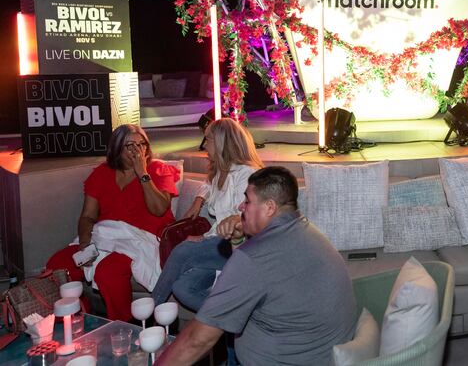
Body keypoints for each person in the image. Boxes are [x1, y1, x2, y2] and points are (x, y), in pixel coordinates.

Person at [155, 167, 357, 365]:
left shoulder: (255, 257)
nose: (241, 207)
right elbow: (262, 282)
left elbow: (197, 340)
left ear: (269, 207)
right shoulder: (306, 231)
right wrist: (237, 242)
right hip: (322, 352)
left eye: (248, 201)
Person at [46, 125, 179, 321]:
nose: (137, 150)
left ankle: (123, 327)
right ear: (116, 148)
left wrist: (142, 172)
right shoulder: (102, 173)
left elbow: (159, 209)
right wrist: (85, 243)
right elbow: (88, 216)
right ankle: (79, 318)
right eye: (130, 146)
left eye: (141, 144)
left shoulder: (158, 169)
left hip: (142, 239)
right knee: (57, 264)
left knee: (108, 272)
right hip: (105, 235)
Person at [151, 118, 262, 310]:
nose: (205, 146)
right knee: (183, 288)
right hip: (220, 243)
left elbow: (238, 222)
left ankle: (149, 314)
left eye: (208, 140)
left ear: (221, 143)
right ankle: (233, 317)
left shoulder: (247, 175)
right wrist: (198, 200)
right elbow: (208, 186)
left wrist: (204, 237)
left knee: (182, 250)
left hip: (240, 245)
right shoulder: (220, 173)